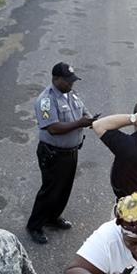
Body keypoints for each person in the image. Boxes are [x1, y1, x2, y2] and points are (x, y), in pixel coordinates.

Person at [26, 62, 98, 244]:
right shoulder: (45, 101)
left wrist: (91, 121)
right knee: (50, 190)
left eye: (72, 80)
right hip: (53, 153)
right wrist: (80, 123)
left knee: (64, 189)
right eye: (67, 81)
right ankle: (34, 226)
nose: (71, 84)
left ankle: (53, 218)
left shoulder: (71, 94)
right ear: (56, 79)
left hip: (71, 152)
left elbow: (84, 113)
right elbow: (53, 128)